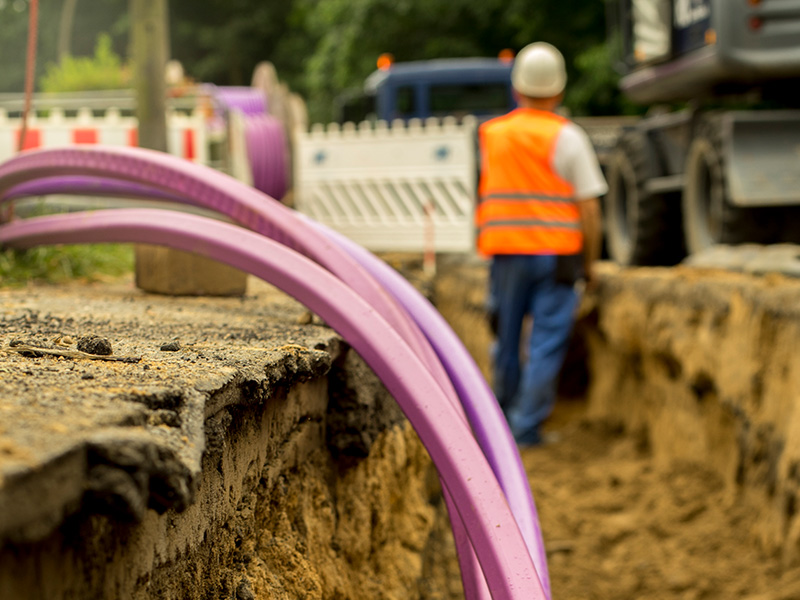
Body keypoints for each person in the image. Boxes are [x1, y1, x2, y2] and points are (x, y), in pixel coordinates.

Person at [476, 42, 607, 446]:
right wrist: (592, 264)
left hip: (506, 253)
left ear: (517, 89)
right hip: (558, 255)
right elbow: (589, 208)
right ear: (559, 91)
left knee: (507, 340)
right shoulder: (568, 137)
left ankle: (500, 424)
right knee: (546, 342)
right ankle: (525, 428)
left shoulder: (492, 135)